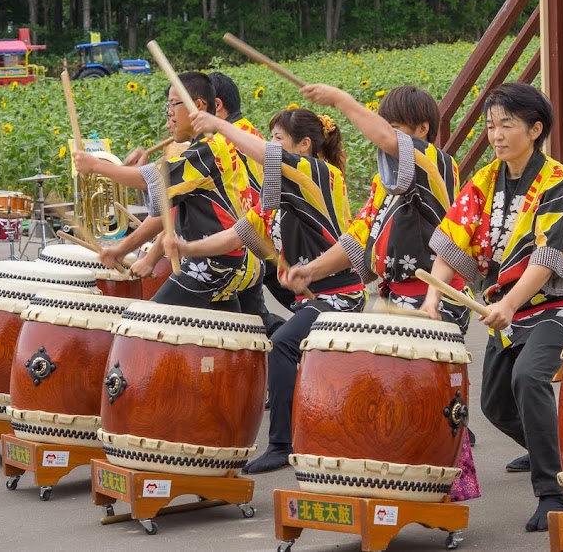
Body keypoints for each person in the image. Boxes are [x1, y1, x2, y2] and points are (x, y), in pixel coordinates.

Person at [286, 83, 480, 500]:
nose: (383, 138)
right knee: (386, 392)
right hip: (390, 298)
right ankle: (390, 483)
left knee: (424, 394)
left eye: (393, 128)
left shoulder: (436, 165)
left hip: (434, 298)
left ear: (422, 130)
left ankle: (445, 492)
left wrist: (341, 100)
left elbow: (385, 139)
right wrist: (311, 270)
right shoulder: (384, 184)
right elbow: (358, 238)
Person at [421, 82, 563, 532]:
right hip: (507, 311)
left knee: (528, 378)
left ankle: (552, 492)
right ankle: (558, 451)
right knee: (494, 402)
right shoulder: (486, 180)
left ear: (535, 129)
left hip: (555, 307)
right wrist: (433, 297)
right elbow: (453, 236)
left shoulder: (558, 183)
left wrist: (511, 303)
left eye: (506, 125)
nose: (496, 134)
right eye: (491, 125)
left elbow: (549, 259)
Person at [190, 105, 366, 475]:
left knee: (283, 342)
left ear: (303, 146)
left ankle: (282, 444)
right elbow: (235, 235)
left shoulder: (320, 174)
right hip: (315, 298)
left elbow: (266, 155)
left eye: (278, 139)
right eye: (272, 138)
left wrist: (219, 126)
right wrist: (185, 248)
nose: (272, 146)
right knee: (281, 338)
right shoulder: (279, 200)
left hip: (340, 295)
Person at [95, 71, 264, 311]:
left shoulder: (212, 149)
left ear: (203, 106)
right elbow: (177, 204)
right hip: (234, 255)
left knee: (144, 326)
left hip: (218, 260)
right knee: (232, 331)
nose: (169, 119)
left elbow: (158, 189)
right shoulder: (235, 137)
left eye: (173, 107)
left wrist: (95, 166)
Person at [210, 70, 292, 332]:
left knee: (257, 321)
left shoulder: (223, 141)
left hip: (251, 242)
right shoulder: (248, 131)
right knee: (255, 317)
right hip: (264, 236)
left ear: (216, 105)